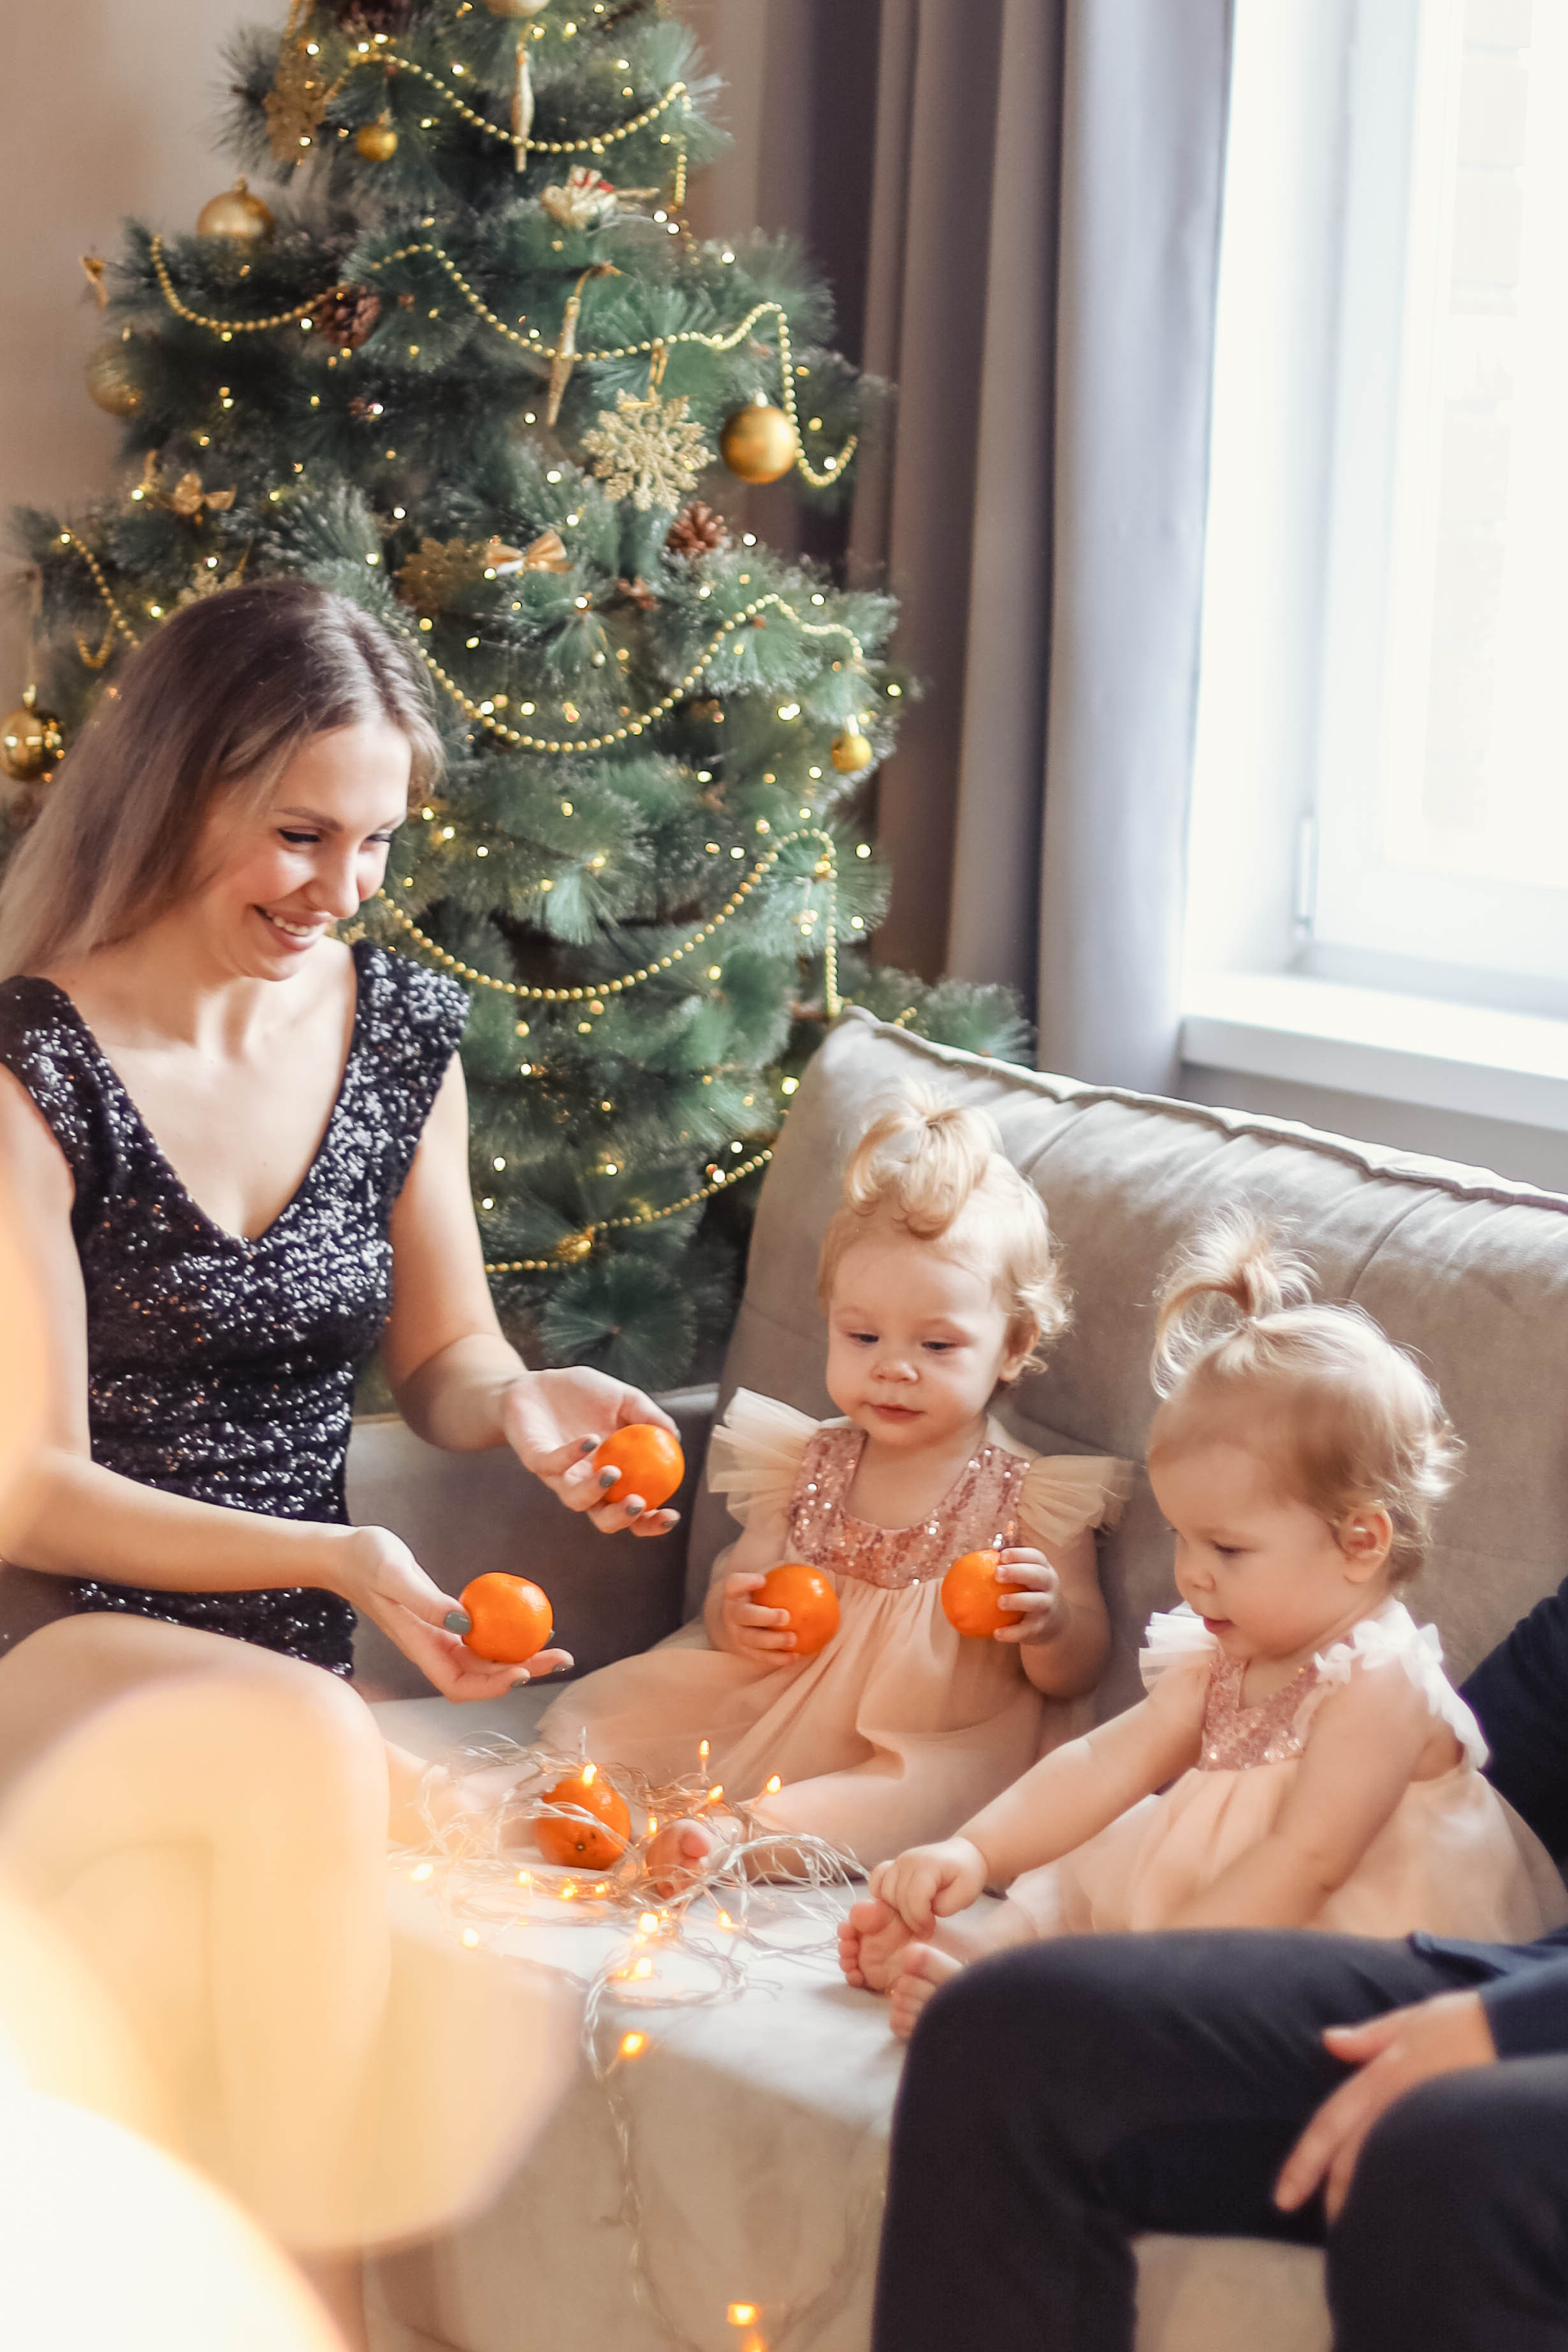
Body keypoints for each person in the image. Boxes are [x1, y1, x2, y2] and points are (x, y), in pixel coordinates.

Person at [0, 579, 679, 1717]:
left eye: (377, 842)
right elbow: (30, 1491)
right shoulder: (32, 1068)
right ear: (174, 796)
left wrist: (515, 1397)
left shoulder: (400, 1031)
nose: (344, 891)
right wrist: (332, 1556)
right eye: (301, 836)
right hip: (57, 1646)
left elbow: (444, 1354)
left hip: (289, 1672)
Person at [843, 1217, 1565, 2036]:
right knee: (1085, 1868)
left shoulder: (1379, 1680)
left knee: (1212, 2001)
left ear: (1360, 1542)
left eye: (1228, 1547)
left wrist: (1146, 1982)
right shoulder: (1229, 1646)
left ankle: (1054, 2003)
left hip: (1338, 1940)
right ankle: (986, 1964)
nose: (1192, 1574)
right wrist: (974, 1851)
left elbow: (1305, 1864)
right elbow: (1104, 1763)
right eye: (1182, 1537)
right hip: (1220, 1899)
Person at [541, 1093, 1130, 1884]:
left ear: (1014, 1345)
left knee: (915, 1798)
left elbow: (1079, 1670)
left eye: (937, 1344)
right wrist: (735, 1617)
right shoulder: (803, 1460)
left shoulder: (1033, 1494)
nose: (893, 1366)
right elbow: (737, 1591)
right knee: (632, 1716)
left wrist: (1050, 1625)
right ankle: (555, 1795)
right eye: (862, 1335)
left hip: (929, 1743)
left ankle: (731, 1838)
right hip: (776, 1705)